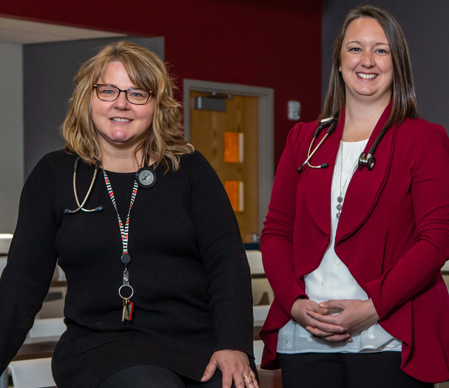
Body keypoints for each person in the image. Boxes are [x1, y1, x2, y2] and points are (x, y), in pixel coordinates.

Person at [0, 41, 258, 388]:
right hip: (100, 347)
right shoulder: (55, 175)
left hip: (196, 344)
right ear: (87, 99)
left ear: (156, 106)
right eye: (108, 90)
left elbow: (227, 263)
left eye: (137, 93)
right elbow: (21, 286)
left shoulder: (189, 169)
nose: (121, 102)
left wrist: (234, 345)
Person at [258, 5, 449, 388]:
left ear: (397, 62)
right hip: (306, 335)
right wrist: (297, 306)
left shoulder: (424, 139)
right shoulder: (304, 139)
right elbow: (276, 231)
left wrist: (373, 308)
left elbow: (436, 239)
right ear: (338, 60)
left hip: (387, 332)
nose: (367, 61)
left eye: (381, 50)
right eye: (355, 49)